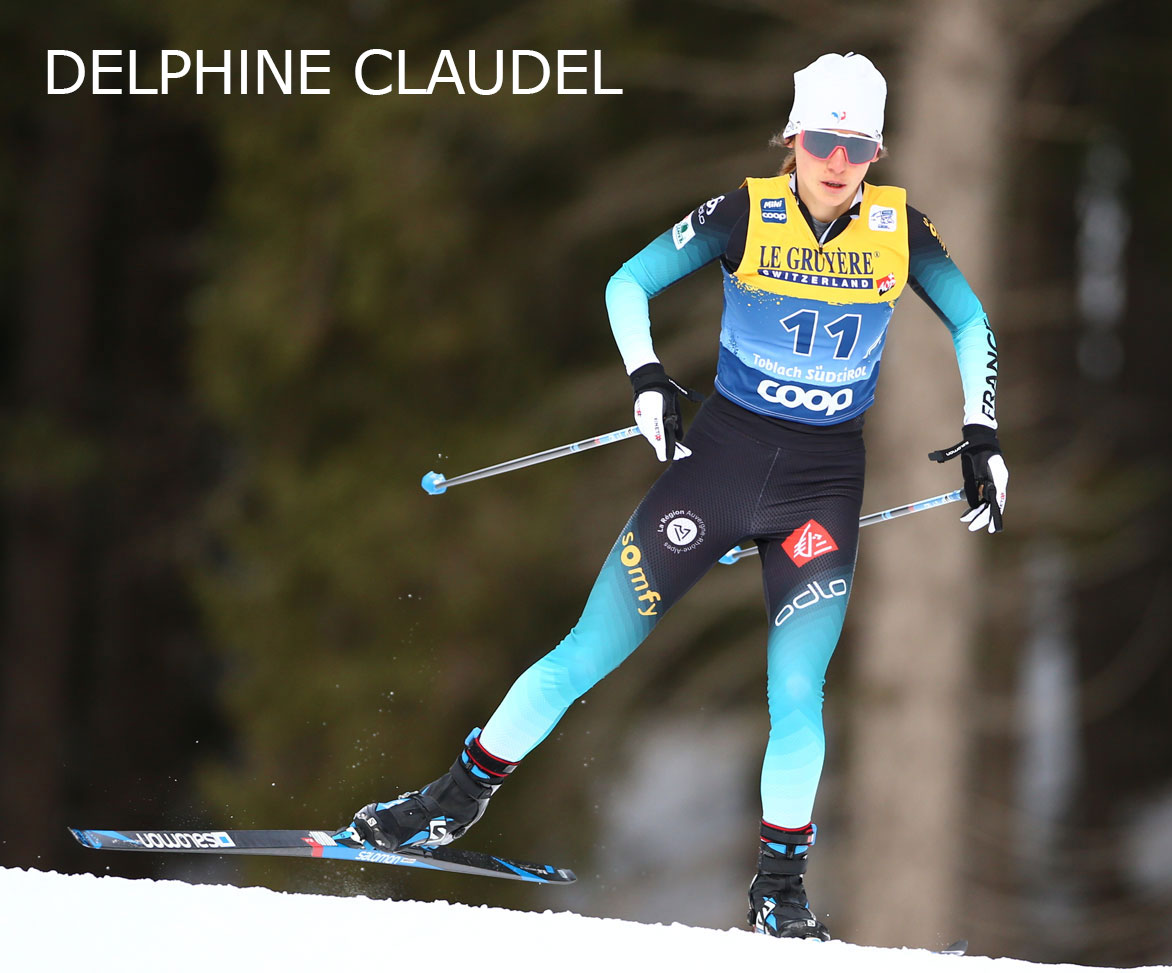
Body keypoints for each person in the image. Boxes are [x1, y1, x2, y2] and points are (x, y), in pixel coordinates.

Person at [340, 52, 1007, 941]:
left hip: (819, 489)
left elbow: (972, 319)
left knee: (798, 695)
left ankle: (781, 889)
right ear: (792, 139)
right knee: (585, 652)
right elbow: (627, 282)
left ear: (877, 150)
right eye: (821, 139)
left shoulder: (902, 229)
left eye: (854, 144)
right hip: (719, 467)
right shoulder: (744, 212)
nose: (836, 161)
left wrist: (983, 428)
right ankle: (449, 803)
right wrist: (648, 376)